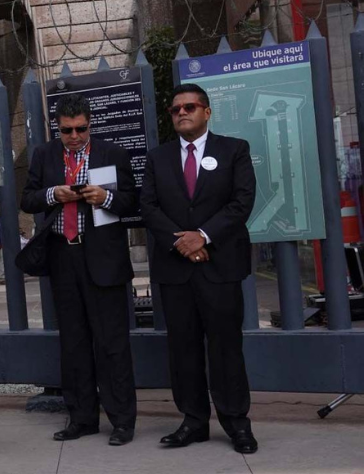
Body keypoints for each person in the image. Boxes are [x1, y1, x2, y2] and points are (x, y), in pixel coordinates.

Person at [140, 83, 258, 454]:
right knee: (183, 350)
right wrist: (182, 242)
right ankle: (193, 421)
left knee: (226, 349)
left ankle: (236, 422)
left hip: (219, 267)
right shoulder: (157, 158)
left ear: (207, 112)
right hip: (176, 270)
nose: (181, 113)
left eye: (189, 106)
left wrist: (203, 237)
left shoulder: (234, 150)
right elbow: (149, 207)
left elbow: (241, 202)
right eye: (175, 109)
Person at [21, 93, 137, 446]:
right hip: (63, 256)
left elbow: (134, 200)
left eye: (80, 129)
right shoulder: (44, 154)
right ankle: (82, 417)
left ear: (91, 124)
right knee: (73, 343)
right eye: (67, 130)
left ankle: (121, 421)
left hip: (102, 257)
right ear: (57, 127)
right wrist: (54, 194)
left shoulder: (111, 154)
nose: (74, 136)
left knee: (112, 343)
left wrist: (107, 199)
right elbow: (27, 198)